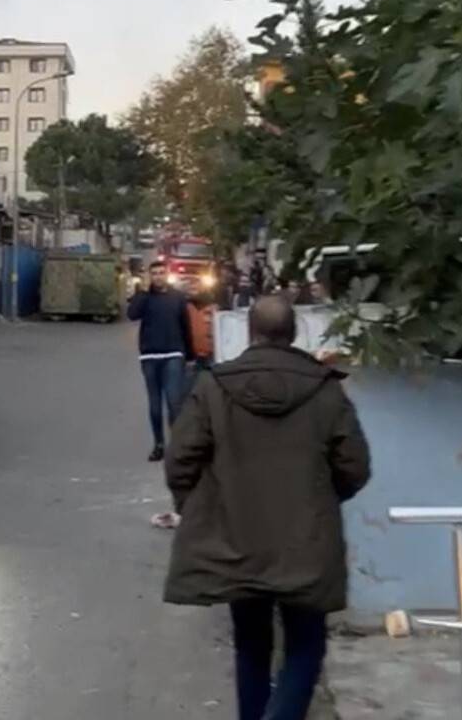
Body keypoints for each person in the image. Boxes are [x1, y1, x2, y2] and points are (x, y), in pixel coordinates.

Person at [164, 295, 371, 720]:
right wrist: (321, 501)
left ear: (250, 332)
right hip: (307, 542)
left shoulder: (214, 386)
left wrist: (205, 510)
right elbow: (355, 466)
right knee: (306, 646)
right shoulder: (325, 389)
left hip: (237, 537)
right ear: (294, 334)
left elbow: (180, 460)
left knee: (251, 644)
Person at [128, 260, 192, 461]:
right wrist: (142, 292)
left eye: (161, 273)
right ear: (150, 276)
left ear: (167, 274)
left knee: (174, 402)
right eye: (154, 273)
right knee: (155, 404)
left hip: (173, 354)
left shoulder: (178, 298)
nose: (158, 276)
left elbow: (185, 326)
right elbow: (132, 315)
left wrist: (188, 355)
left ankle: (177, 445)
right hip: (150, 356)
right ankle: (159, 444)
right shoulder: (145, 297)